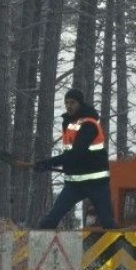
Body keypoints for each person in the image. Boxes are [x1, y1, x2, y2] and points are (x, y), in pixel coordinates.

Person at [34, 88, 117, 229]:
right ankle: (36, 246)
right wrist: (51, 164)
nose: (68, 106)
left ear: (80, 104)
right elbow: (71, 155)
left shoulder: (89, 125)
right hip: (74, 184)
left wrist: (49, 163)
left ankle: (117, 249)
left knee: (107, 223)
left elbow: (76, 153)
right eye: (66, 103)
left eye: (72, 102)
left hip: (96, 184)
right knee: (52, 218)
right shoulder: (69, 123)